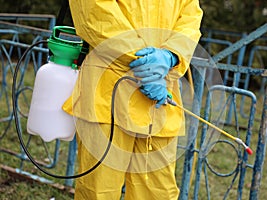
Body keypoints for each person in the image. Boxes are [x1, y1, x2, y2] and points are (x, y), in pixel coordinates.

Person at [63, 0, 203, 199]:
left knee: (158, 192)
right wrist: (148, 65)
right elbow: (94, 14)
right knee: (99, 190)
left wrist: (171, 55)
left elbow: (190, 15)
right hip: (107, 94)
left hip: (158, 100)